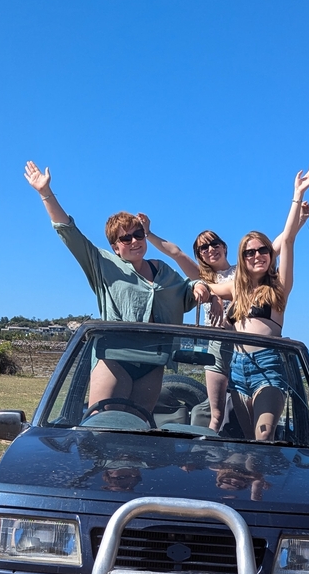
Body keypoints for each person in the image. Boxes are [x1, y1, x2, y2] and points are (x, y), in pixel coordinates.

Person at [23, 161, 215, 414]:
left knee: (139, 425)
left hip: (154, 360)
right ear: (115, 246)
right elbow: (69, 233)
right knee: (102, 423)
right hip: (115, 357)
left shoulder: (162, 271)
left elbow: (186, 293)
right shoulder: (103, 264)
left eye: (139, 234)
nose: (134, 241)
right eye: (126, 238)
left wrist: (200, 286)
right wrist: (45, 193)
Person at [138, 202, 309, 430]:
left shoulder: (243, 273)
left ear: (225, 246)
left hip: (251, 347)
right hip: (220, 345)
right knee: (217, 411)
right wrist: (148, 234)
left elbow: (277, 246)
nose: (210, 249)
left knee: (259, 421)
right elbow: (176, 253)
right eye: (203, 248)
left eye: (214, 243)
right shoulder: (202, 277)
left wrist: (299, 220)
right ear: (199, 255)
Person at [215, 165, 309, 441]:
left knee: (264, 438)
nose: (257, 255)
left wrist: (297, 195)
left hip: (268, 366)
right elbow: (201, 287)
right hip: (236, 367)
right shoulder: (236, 289)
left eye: (263, 250)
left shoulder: (279, 288)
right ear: (243, 257)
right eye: (250, 252)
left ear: (270, 255)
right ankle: (255, 486)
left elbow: (290, 238)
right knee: (250, 445)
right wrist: (207, 294)